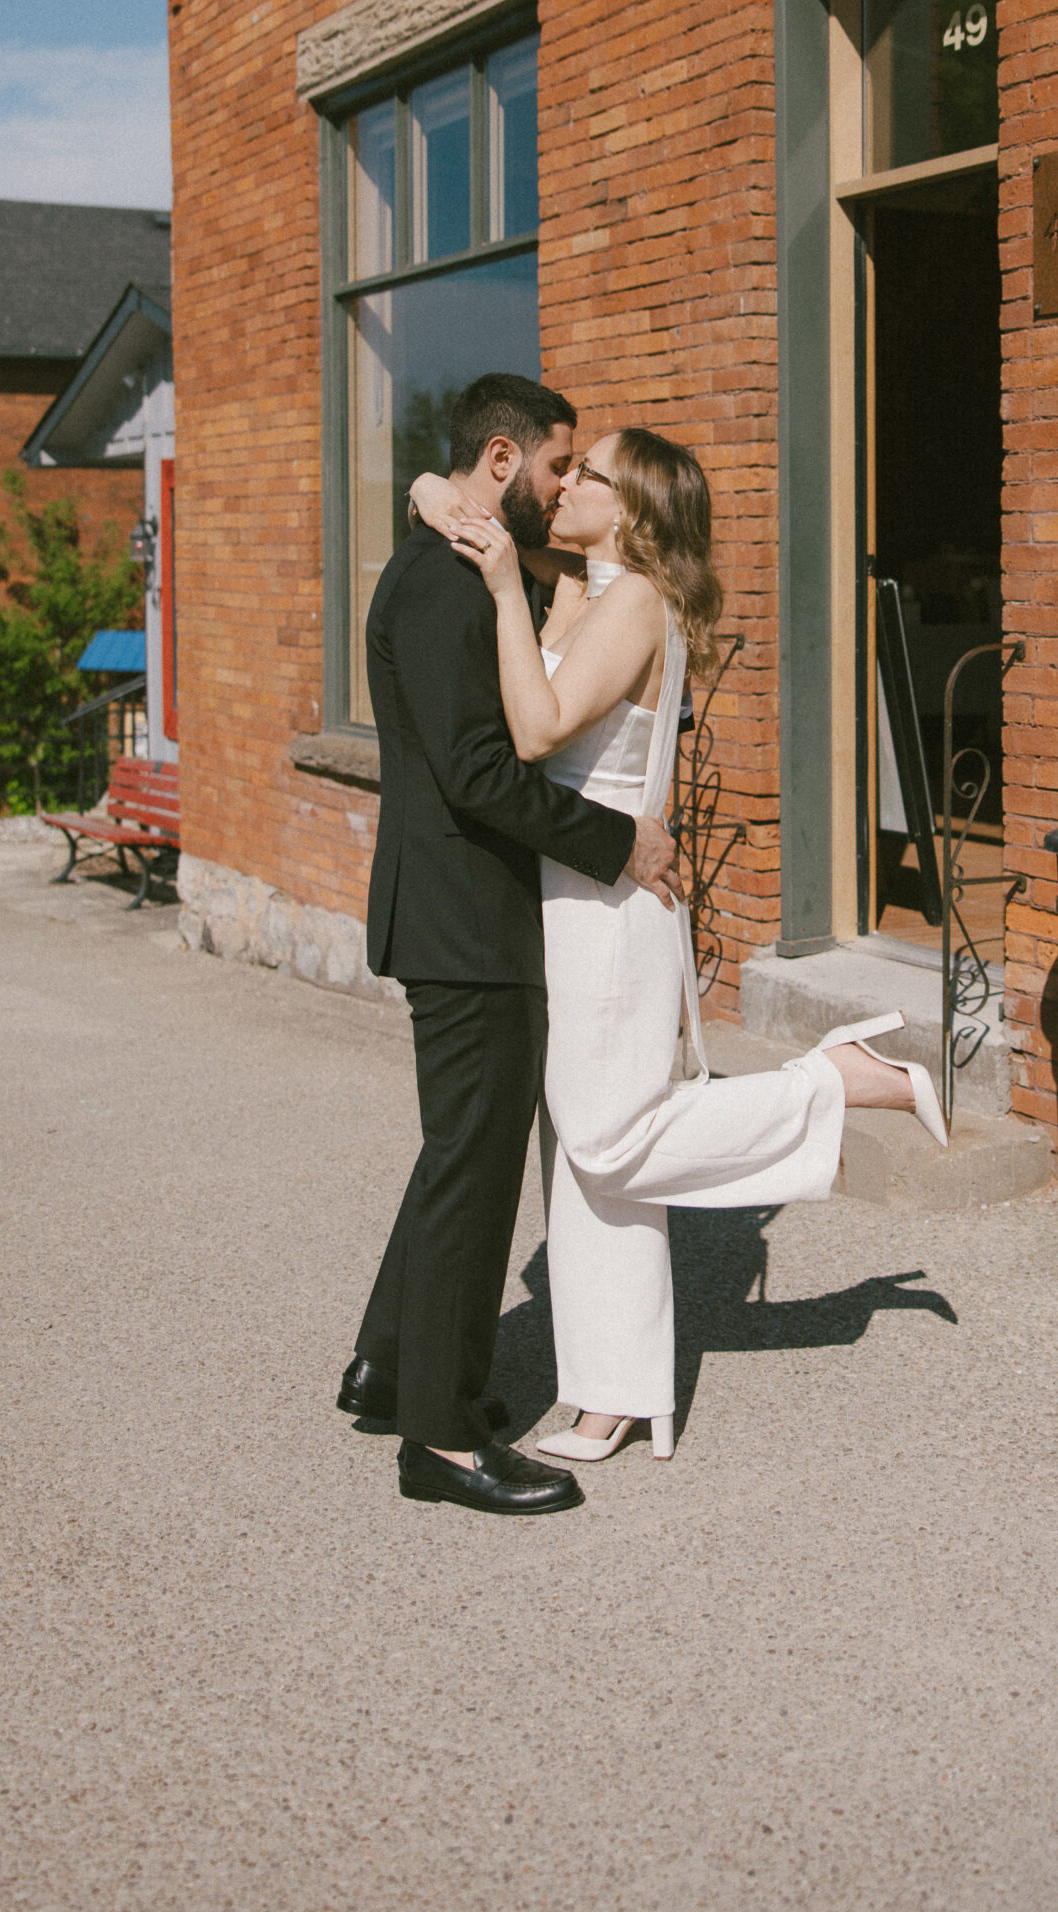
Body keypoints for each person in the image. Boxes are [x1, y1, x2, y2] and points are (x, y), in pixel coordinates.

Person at [415, 425, 947, 1463]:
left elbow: (534, 729)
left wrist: (496, 595)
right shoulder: (585, 583)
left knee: (610, 1136)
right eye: (563, 469)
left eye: (587, 473)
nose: (563, 483)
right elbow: (430, 486)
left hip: (607, 910)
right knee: (584, 1157)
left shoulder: (634, 601)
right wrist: (446, 497)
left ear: (634, 510)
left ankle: (831, 1081)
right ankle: (613, 1392)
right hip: (566, 898)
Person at [341, 375, 683, 1517]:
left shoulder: (453, 556)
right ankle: (438, 1440)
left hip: (453, 910)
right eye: (554, 463)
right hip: (466, 918)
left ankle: (392, 1366)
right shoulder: (447, 586)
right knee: (474, 1173)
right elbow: (484, 775)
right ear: (503, 459)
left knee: (457, 1151)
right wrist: (616, 844)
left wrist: (434, 494)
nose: (561, 482)